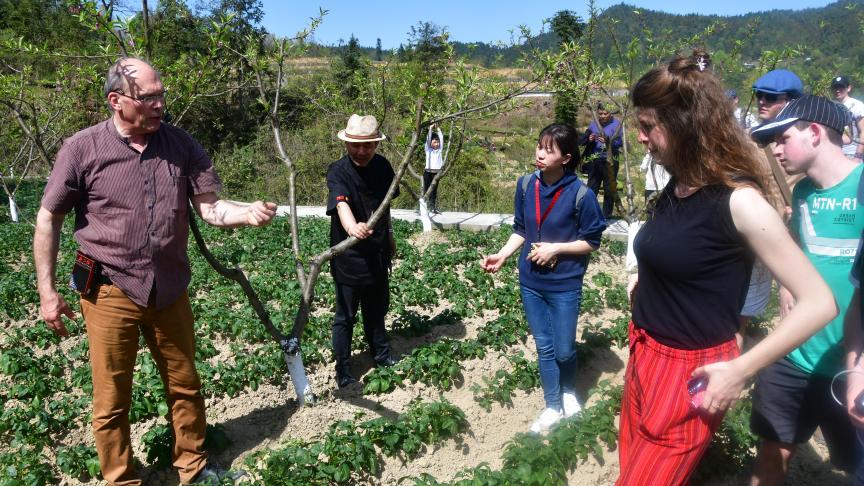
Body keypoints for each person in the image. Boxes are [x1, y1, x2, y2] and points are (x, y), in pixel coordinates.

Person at [33, 58, 276, 485]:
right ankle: (122, 478)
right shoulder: (82, 149)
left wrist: (246, 213)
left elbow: (211, 208)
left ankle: (193, 467)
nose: (160, 104)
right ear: (117, 101)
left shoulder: (181, 145)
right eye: (149, 97)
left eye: (162, 94)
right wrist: (48, 292)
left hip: (169, 291)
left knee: (185, 384)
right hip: (108, 289)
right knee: (111, 400)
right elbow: (48, 219)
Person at [618, 57, 837, 486]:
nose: (640, 137)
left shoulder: (740, 202)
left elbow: (819, 302)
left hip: (689, 375)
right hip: (644, 354)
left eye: (648, 126)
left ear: (684, 124)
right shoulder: (677, 186)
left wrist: (741, 370)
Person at [748, 95, 864, 485]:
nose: (775, 150)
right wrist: (785, 283)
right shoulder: (802, 195)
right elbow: (796, 246)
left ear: (815, 132)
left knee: (854, 463)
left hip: (855, 365)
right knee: (772, 455)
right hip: (796, 354)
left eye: (782, 138)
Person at [481, 123, 607, 434]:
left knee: (564, 349)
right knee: (545, 347)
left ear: (565, 158)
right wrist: (503, 255)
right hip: (531, 282)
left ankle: (568, 392)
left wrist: (556, 249)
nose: (539, 153)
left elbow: (592, 240)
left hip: (564, 283)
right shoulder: (526, 185)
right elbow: (521, 229)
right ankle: (552, 405)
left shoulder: (581, 194)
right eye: (539, 146)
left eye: (548, 150)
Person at [327, 114, 399, 389]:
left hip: (377, 252)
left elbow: (385, 207)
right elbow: (341, 203)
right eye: (355, 145)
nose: (361, 151)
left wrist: (389, 236)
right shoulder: (338, 171)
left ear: (376, 145)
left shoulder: (384, 167)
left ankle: (381, 355)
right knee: (345, 315)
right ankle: (343, 368)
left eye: (367, 145)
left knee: (376, 309)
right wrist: (351, 227)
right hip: (348, 257)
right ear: (346, 143)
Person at [579, 104, 623, 219]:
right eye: (600, 114)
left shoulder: (617, 125)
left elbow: (620, 143)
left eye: (605, 114)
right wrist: (589, 139)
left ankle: (606, 216)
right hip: (594, 160)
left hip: (610, 160)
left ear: (610, 113)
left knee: (609, 189)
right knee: (592, 188)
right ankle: (590, 214)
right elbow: (584, 139)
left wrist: (608, 141)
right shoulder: (594, 124)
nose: (602, 116)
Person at [831, 75, 864, 161]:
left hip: (852, 154)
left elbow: (863, 131)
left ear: (848, 88)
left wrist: (858, 156)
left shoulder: (857, 105)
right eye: (835, 87)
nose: (837, 90)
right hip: (835, 154)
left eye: (841, 87)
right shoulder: (831, 106)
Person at [423, 123, 444, 214]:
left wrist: (438, 128)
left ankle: (432, 208)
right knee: (426, 190)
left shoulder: (439, 150)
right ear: (430, 143)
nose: (437, 143)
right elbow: (428, 139)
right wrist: (430, 129)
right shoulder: (428, 150)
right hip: (428, 172)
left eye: (437, 142)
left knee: (434, 191)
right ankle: (424, 207)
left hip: (436, 173)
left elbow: (442, 138)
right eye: (435, 142)